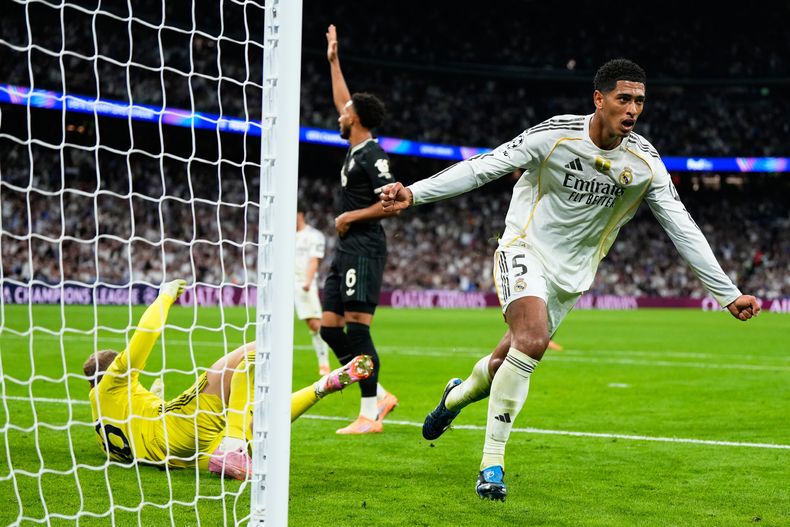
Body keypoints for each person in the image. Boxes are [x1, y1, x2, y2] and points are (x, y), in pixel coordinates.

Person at [380, 59, 760, 501]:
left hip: (573, 275)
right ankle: (492, 463)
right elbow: (486, 166)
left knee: (508, 360)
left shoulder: (645, 164)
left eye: (639, 100)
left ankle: (454, 399)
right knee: (533, 338)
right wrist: (415, 192)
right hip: (523, 247)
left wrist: (726, 293)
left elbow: (682, 226)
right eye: (623, 99)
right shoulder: (554, 135)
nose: (633, 109)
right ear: (599, 99)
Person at [83, 279, 375, 481]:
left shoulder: (101, 416)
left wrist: (153, 394)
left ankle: (321, 388)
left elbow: (137, 422)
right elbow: (144, 335)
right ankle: (234, 445)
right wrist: (166, 295)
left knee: (255, 422)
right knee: (255, 352)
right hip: (177, 426)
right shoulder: (113, 379)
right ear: (108, 374)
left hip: (179, 456)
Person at [318, 24, 399, 435]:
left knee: (356, 326)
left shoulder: (374, 155)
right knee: (329, 326)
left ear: (357, 121)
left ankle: (370, 414)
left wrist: (352, 217)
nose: (339, 114)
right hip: (346, 249)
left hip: (364, 246)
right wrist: (334, 61)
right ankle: (379, 390)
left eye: (345, 113)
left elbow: (392, 203)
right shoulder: (354, 148)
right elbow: (342, 97)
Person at [295, 204, 331, 375]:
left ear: (300, 214)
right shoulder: (283, 235)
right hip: (283, 285)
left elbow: (314, 260)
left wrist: (308, 281)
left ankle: (324, 362)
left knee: (315, 324)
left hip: (302, 283)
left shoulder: (314, 236)